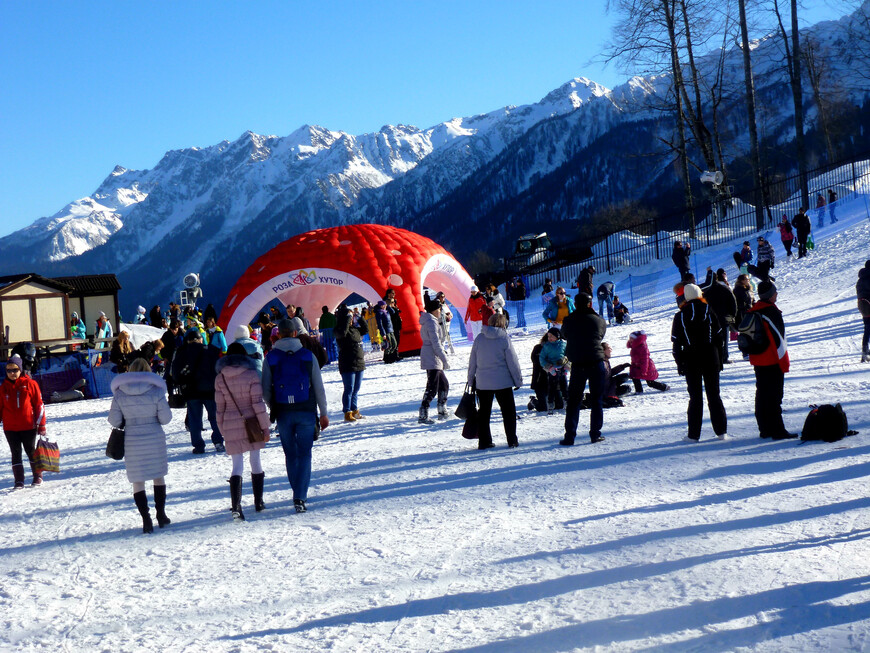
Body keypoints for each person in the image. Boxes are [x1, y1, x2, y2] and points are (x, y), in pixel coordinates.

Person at [262, 318, 329, 513]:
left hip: (283, 412)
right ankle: (300, 496)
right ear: (294, 333)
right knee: (305, 453)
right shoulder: (307, 356)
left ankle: (296, 493)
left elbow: (265, 389)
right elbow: (319, 387)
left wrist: (272, 405)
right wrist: (323, 413)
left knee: (290, 454)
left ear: (279, 335)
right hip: (306, 411)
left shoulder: (271, 357)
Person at [107, 357, 172, 533]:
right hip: (154, 437)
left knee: (138, 481)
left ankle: (146, 520)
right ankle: (161, 514)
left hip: (132, 439)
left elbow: (113, 420)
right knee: (158, 476)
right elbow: (166, 419)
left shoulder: (120, 393)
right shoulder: (156, 391)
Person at [215, 342, 271, 520]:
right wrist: (265, 427)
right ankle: (258, 501)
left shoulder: (220, 378)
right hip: (252, 422)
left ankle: (236, 506)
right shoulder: (251, 374)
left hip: (230, 423)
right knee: (256, 460)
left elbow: (219, 407)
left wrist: (223, 429)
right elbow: (258, 404)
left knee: (237, 465)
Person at [670, 284, 728, 441]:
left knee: (695, 397)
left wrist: (679, 363)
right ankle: (721, 432)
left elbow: (676, 344)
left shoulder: (680, 316)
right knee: (714, 395)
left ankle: (693, 435)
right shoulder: (709, 311)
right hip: (711, 357)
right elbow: (719, 338)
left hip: (691, 359)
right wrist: (720, 359)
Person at [747, 281, 797, 439]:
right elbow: (779, 340)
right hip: (772, 360)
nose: (777, 294)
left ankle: (764, 429)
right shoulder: (772, 312)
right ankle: (777, 430)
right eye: (775, 292)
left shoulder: (754, 310)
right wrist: (784, 363)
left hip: (757, 359)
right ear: (770, 295)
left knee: (761, 394)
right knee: (774, 396)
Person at [467, 313, 522, 449]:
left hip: (483, 382)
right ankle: (512, 440)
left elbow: (472, 361)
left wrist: (470, 379)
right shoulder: (504, 339)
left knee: (484, 413)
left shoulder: (479, 338)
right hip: (503, 382)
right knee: (508, 412)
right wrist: (518, 380)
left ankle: (484, 441)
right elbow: (513, 362)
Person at [559, 292, 607, 445]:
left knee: (574, 401)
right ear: (589, 304)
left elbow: (564, 335)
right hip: (596, 360)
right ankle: (595, 433)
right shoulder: (598, 320)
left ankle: (570, 436)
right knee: (597, 400)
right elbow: (601, 335)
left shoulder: (569, 320)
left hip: (578, 363)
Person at [171, 329, 226, 454]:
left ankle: (198, 445)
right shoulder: (209, 350)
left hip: (190, 391)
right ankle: (218, 442)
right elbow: (218, 369)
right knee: (214, 417)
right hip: (209, 390)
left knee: (194, 419)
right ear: (200, 339)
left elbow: (174, 374)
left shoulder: (182, 352)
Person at [1, 355, 46, 489]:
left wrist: (41, 424)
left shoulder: (30, 384)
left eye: (15, 370)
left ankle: (37, 476)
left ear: (20, 369)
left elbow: (39, 405)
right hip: (10, 427)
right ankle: (19, 480)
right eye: (9, 370)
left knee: (31, 451)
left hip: (28, 425)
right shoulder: (3, 387)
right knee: (15, 453)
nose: (12, 373)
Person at [418, 297, 450, 424]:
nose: (440, 311)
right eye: (439, 309)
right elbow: (436, 343)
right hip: (432, 356)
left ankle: (442, 410)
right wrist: (444, 359)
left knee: (444, 384)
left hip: (432, 356)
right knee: (432, 387)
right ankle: (423, 414)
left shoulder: (432, 321)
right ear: (434, 310)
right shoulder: (431, 322)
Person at [334, 306, 368, 422]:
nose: (351, 318)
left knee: (356, 389)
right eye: (349, 316)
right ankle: (347, 411)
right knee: (349, 388)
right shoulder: (339, 330)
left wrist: (360, 318)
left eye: (351, 316)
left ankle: (355, 410)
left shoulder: (354, 329)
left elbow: (365, 329)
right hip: (347, 363)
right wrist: (347, 319)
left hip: (359, 362)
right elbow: (342, 333)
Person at [704, 269, 738, 364]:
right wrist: (732, 315)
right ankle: (724, 357)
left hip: (712, 317)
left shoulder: (707, 291)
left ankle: (714, 356)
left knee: (713, 337)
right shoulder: (724, 288)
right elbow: (733, 302)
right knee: (725, 337)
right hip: (725, 316)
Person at [539, 327, 569, 414]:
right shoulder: (547, 346)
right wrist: (549, 368)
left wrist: (567, 366)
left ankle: (566, 401)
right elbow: (542, 359)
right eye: (548, 336)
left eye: (551, 336)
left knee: (564, 387)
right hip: (553, 370)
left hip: (562, 368)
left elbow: (569, 355)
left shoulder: (563, 344)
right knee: (552, 387)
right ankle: (550, 403)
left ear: (558, 336)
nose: (549, 338)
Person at [527, 333, 555, 412]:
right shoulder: (538, 348)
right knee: (543, 408)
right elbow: (535, 360)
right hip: (540, 381)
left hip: (554, 381)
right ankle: (534, 401)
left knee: (558, 405)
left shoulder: (558, 349)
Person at [601, 342, 631, 407]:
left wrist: (622, 367)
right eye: (608, 348)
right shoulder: (602, 363)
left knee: (625, 377)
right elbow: (603, 383)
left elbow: (609, 373)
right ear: (603, 351)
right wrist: (610, 395)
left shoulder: (605, 360)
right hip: (606, 392)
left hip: (609, 386)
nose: (611, 349)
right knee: (627, 388)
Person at [858, 260, 870, 362]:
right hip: (869, 304)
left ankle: (864, 352)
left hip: (863, 306)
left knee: (867, 329)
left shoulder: (860, 280)